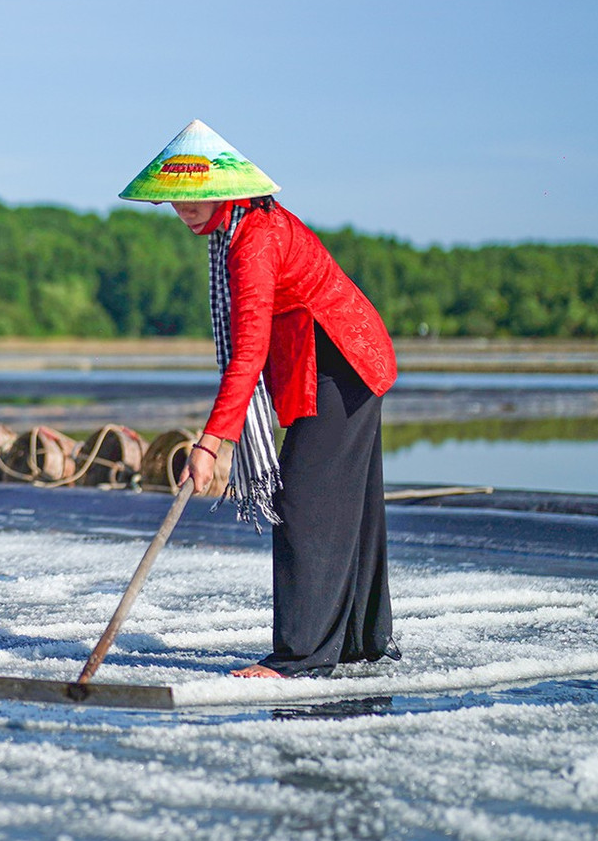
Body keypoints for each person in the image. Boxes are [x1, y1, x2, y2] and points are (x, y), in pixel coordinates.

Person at [119, 120, 399, 678]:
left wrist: (210, 442)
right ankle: (361, 642)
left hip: (343, 359)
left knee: (304, 503)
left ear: (224, 189)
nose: (184, 210)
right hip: (328, 357)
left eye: (195, 198)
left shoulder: (253, 242)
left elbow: (248, 353)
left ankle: (300, 656)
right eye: (176, 201)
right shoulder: (239, 230)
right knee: (345, 504)